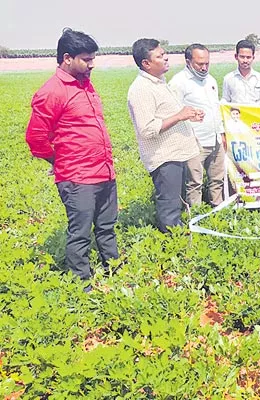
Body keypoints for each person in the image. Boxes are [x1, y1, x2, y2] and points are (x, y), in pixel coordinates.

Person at [25, 28, 118, 287]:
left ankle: (116, 272)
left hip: (104, 171)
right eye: (86, 59)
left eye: (92, 59)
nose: (92, 64)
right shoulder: (51, 91)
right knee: (80, 234)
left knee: (107, 227)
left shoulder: (86, 85)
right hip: (77, 178)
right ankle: (82, 285)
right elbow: (35, 138)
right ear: (67, 58)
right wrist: (60, 160)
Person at [127, 38, 202, 232]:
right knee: (170, 209)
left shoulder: (159, 83)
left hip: (176, 154)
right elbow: (147, 129)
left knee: (177, 204)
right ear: (146, 63)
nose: (166, 58)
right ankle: (172, 248)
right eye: (160, 56)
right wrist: (179, 116)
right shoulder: (141, 89)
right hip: (164, 158)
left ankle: (179, 240)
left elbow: (167, 116)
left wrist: (188, 115)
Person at [169, 43, 226, 208]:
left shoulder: (211, 80)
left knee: (217, 178)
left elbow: (216, 108)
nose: (204, 67)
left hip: (214, 139)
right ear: (188, 62)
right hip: (194, 141)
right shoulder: (179, 82)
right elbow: (174, 112)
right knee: (194, 181)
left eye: (207, 63)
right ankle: (196, 215)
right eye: (200, 64)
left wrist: (221, 134)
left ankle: (218, 209)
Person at [222, 40, 260, 105]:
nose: (245, 60)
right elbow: (225, 102)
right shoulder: (228, 79)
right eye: (242, 57)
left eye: (248, 57)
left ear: (253, 57)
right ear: (236, 57)